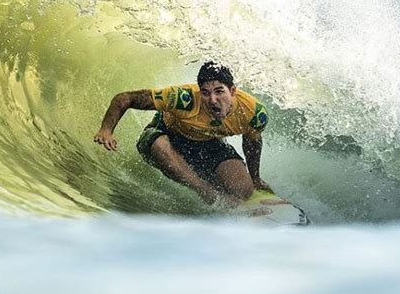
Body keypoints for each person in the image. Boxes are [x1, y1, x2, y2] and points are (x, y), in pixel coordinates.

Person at [94, 61, 272, 204]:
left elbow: (252, 143)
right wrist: (106, 130)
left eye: (219, 92)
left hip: (208, 143)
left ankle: (216, 183)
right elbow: (125, 98)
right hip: (165, 135)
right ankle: (205, 192)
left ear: (232, 91)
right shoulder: (183, 98)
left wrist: (255, 178)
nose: (212, 100)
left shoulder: (253, 113)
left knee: (244, 191)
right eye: (205, 93)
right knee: (160, 145)